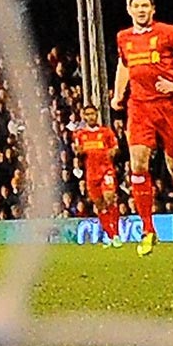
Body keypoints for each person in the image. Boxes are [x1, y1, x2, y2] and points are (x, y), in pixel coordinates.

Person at [111, 0, 173, 255]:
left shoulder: (168, 32)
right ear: (129, 10)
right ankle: (147, 230)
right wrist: (119, 94)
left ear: (153, 9)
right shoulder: (123, 38)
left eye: (145, 6)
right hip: (139, 107)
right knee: (138, 163)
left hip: (169, 108)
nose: (141, 10)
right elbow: (124, 65)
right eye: (136, 6)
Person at [68, 103, 123, 244]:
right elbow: (77, 152)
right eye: (88, 114)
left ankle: (116, 234)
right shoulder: (80, 135)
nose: (91, 117)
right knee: (100, 205)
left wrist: (113, 152)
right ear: (84, 116)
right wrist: (78, 153)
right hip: (91, 175)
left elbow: (116, 148)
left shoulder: (106, 132)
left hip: (106, 171)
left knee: (110, 198)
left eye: (93, 114)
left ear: (97, 115)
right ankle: (110, 235)